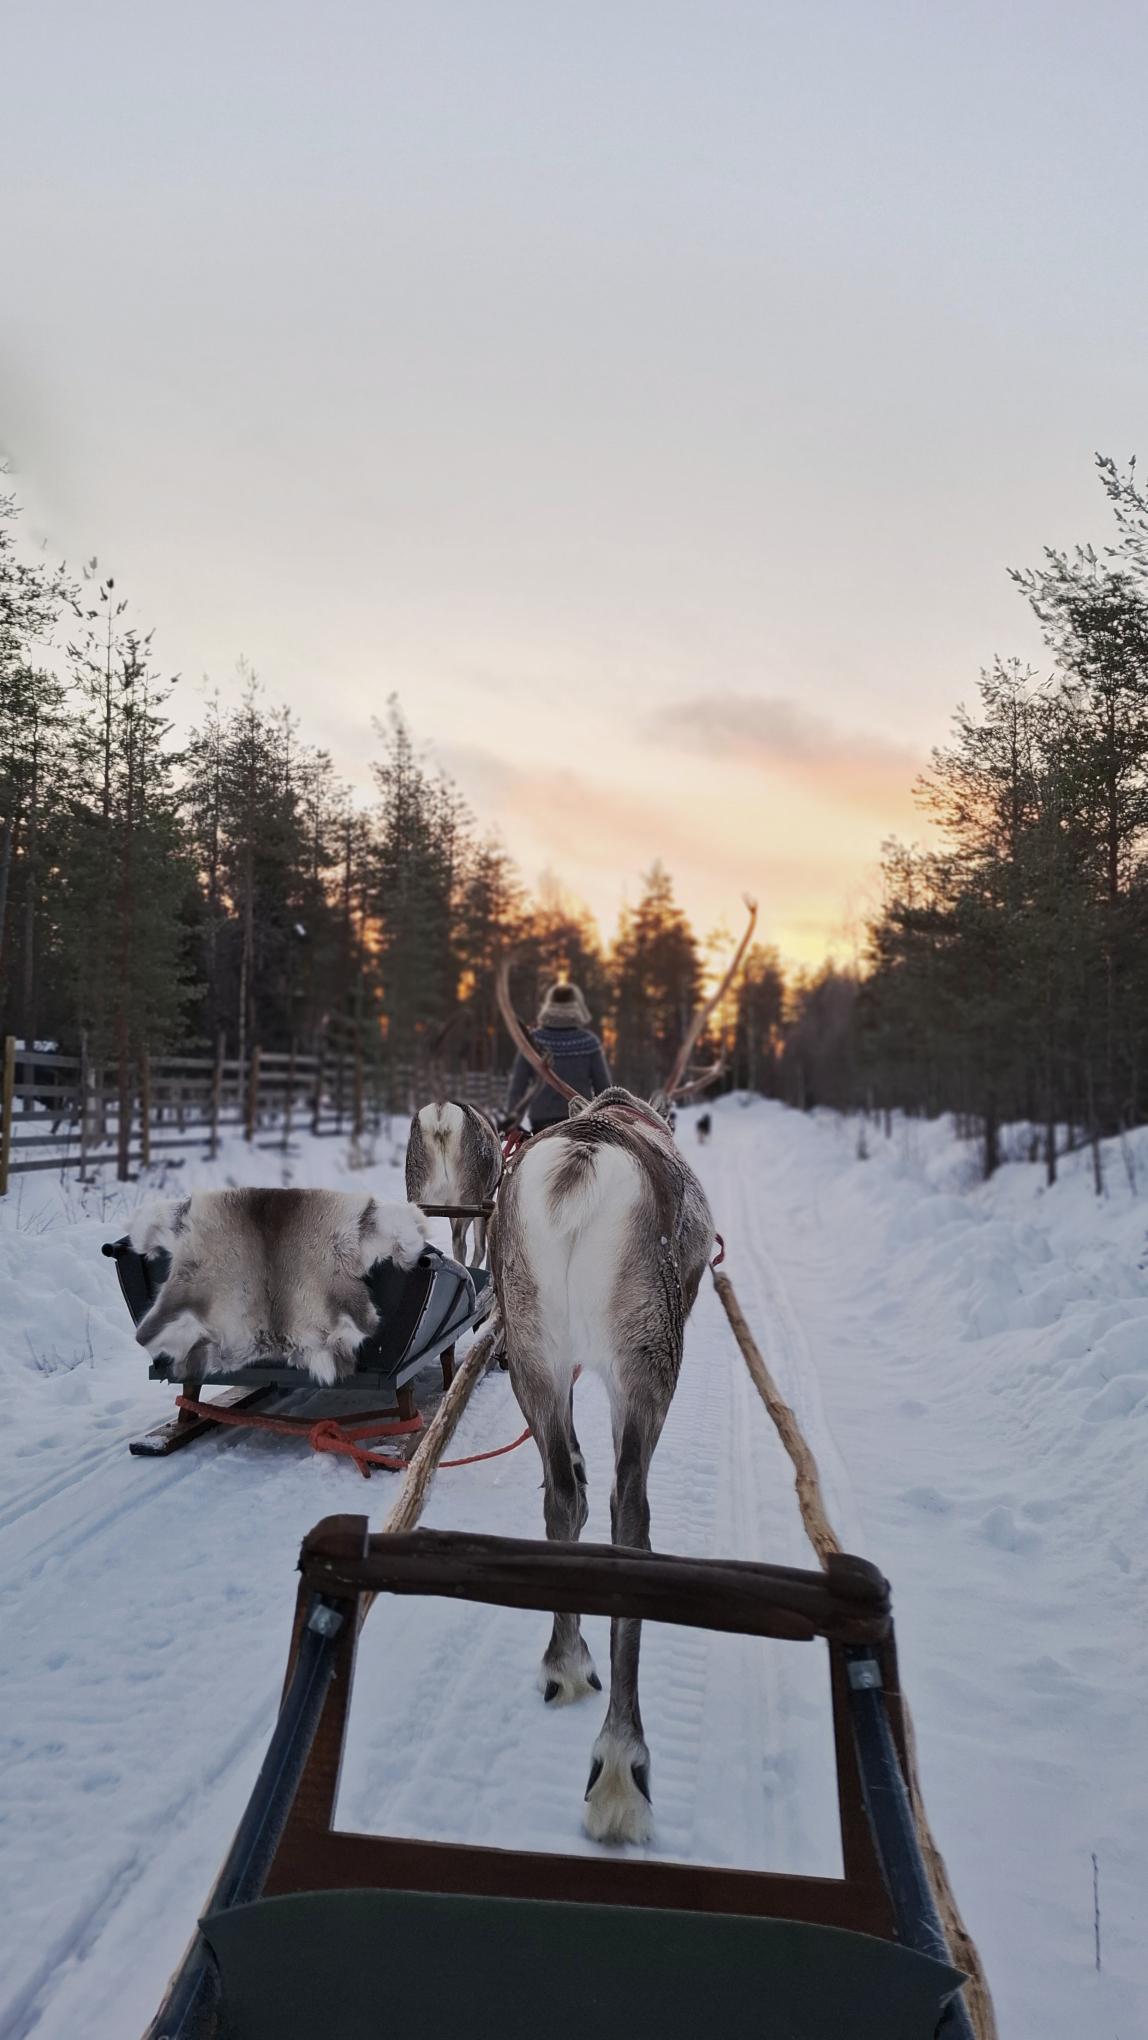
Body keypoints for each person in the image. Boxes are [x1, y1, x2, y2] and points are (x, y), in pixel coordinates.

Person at [504, 981, 611, 1137]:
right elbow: (604, 1090)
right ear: (577, 1007)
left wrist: (512, 1124)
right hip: (581, 1124)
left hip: (542, 1126)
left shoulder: (533, 1042)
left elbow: (517, 1088)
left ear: (548, 1005)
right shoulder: (589, 1042)